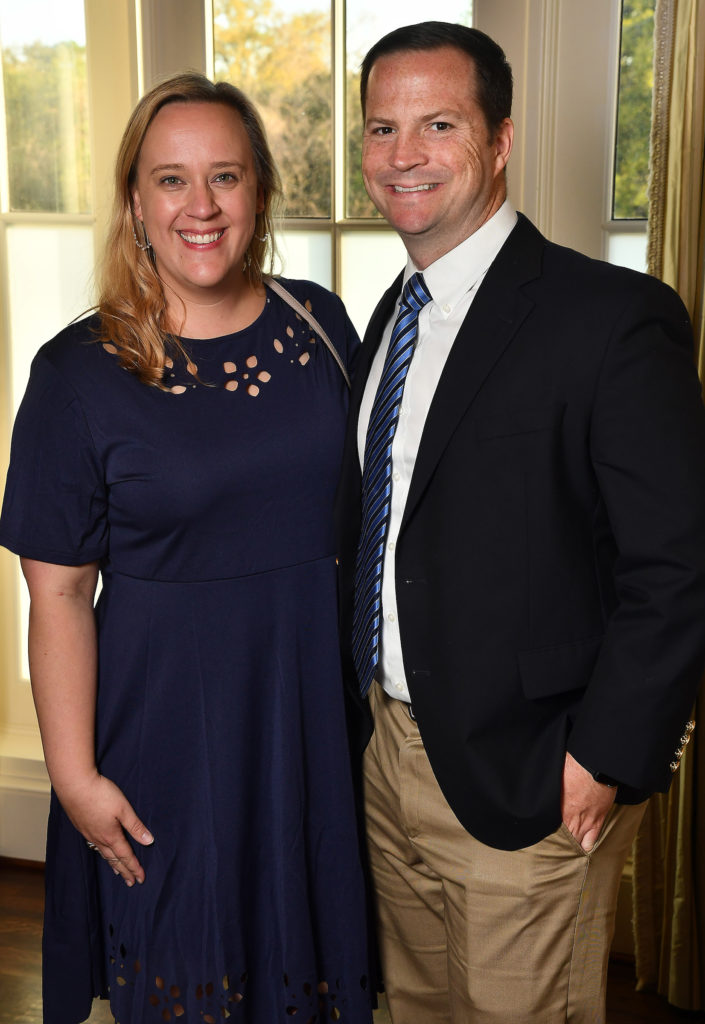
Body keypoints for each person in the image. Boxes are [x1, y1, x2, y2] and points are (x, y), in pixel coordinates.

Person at [335, 21, 705, 1024]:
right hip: (388, 757)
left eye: (438, 124)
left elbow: (675, 566)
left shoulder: (611, 319)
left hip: (530, 777)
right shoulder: (388, 318)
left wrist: (606, 754)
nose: (403, 154)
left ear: (499, 141)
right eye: (382, 128)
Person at [0, 72, 373, 1024]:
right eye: (171, 180)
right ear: (135, 200)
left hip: (309, 727)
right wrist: (75, 779)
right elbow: (56, 599)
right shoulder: (76, 374)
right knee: (186, 984)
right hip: (164, 739)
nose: (199, 206)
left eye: (224, 176)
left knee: (308, 985)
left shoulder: (320, 324)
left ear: (260, 191)